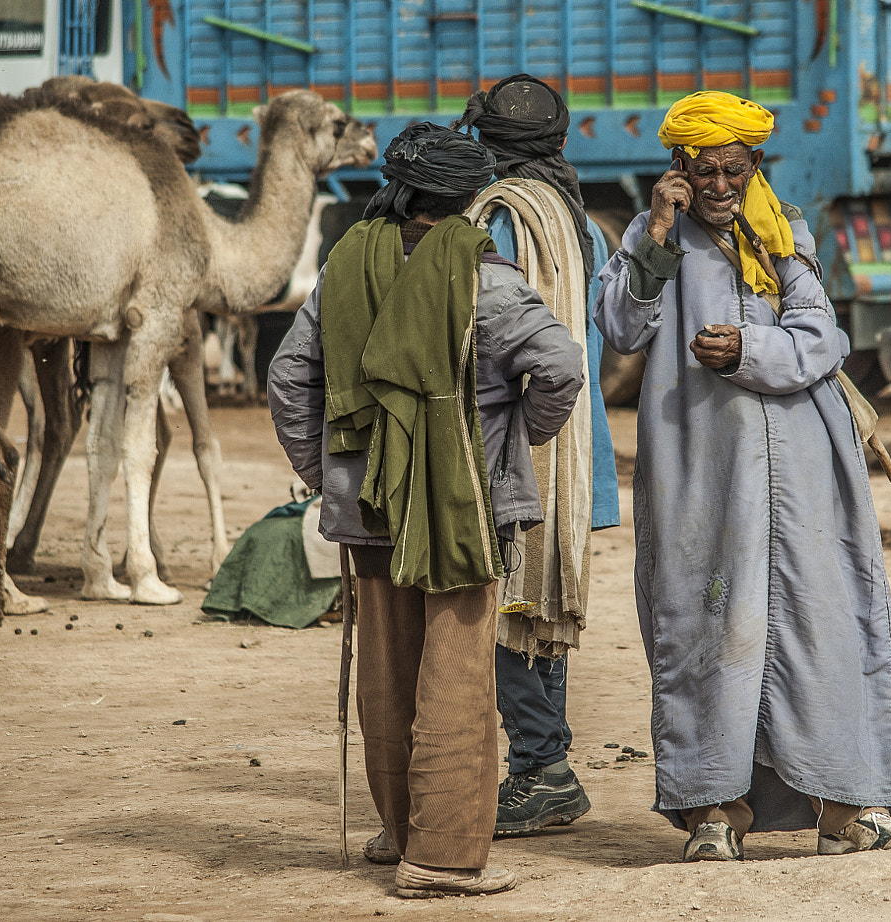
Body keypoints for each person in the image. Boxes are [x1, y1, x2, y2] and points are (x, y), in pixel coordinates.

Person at [593, 90, 891, 861]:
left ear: (754, 166)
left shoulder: (784, 232)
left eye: (732, 170)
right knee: (707, 628)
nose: (719, 185)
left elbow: (821, 338)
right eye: (703, 171)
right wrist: (661, 234)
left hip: (806, 472)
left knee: (821, 628)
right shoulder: (651, 236)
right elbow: (619, 326)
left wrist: (746, 351)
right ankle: (716, 814)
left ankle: (844, 815)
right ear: (678, 168)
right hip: (700, 474)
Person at [267, 123, 585, 897]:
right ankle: (438, 858)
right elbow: (562, 368)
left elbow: (287, 380)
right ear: (472, 198)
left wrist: (330, 472)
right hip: (462, 513)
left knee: (386, 673)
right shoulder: (490, 281)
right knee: (455, 681)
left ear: (404, 191)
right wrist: (511, 445)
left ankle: (396, 831)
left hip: (365, 511)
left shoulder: (345, 267)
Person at [454, 73, 621, 838]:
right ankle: (541, 763)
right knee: (542, 604)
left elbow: (488, 337)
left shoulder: (495, 218)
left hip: (518, 437)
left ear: (487, 145)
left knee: (511, 609)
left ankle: (543, 767)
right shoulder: (578, 222)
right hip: (574, 438)